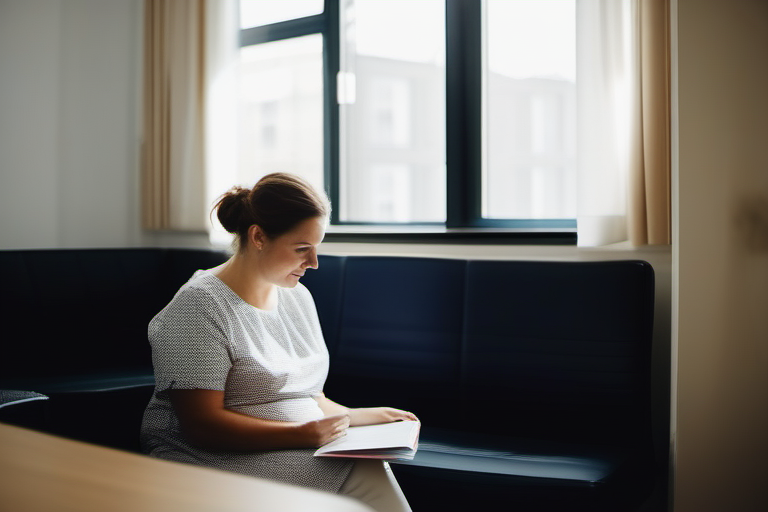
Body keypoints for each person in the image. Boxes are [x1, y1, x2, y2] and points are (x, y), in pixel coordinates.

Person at [140, 173, 416, 512]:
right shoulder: (200, 306)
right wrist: (301, 435)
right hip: (207, 457)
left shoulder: (296, 298)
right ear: (258, 236)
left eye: (317, 249)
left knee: (367, 466)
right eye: (302, 249)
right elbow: (202, 426)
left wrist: (359, 416)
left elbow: (309, 396)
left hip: (289, 447)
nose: (313, 263)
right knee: (361, 471)